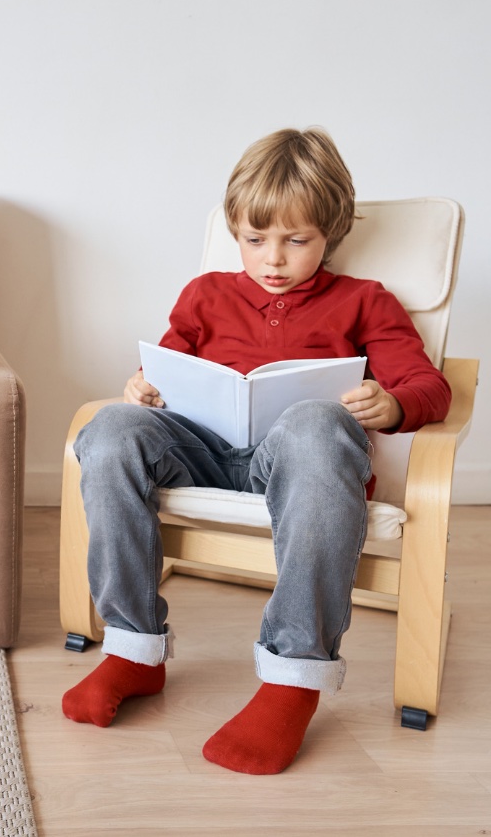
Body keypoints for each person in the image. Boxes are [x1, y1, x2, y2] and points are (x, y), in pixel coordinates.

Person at [62, 128, 451, 774]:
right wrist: (142, 388)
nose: (273, 259)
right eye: (254, 239)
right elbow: (165, 371)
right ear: (234, 231)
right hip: (205, 453)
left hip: (301, 465)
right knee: (108, 428)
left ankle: (293, 679)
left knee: (316, 422)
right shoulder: (205, 294)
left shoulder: (365, 301)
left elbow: (428, 385)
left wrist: (395, 404)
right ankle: (132, 652)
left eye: (297, 241)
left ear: (332, 233)